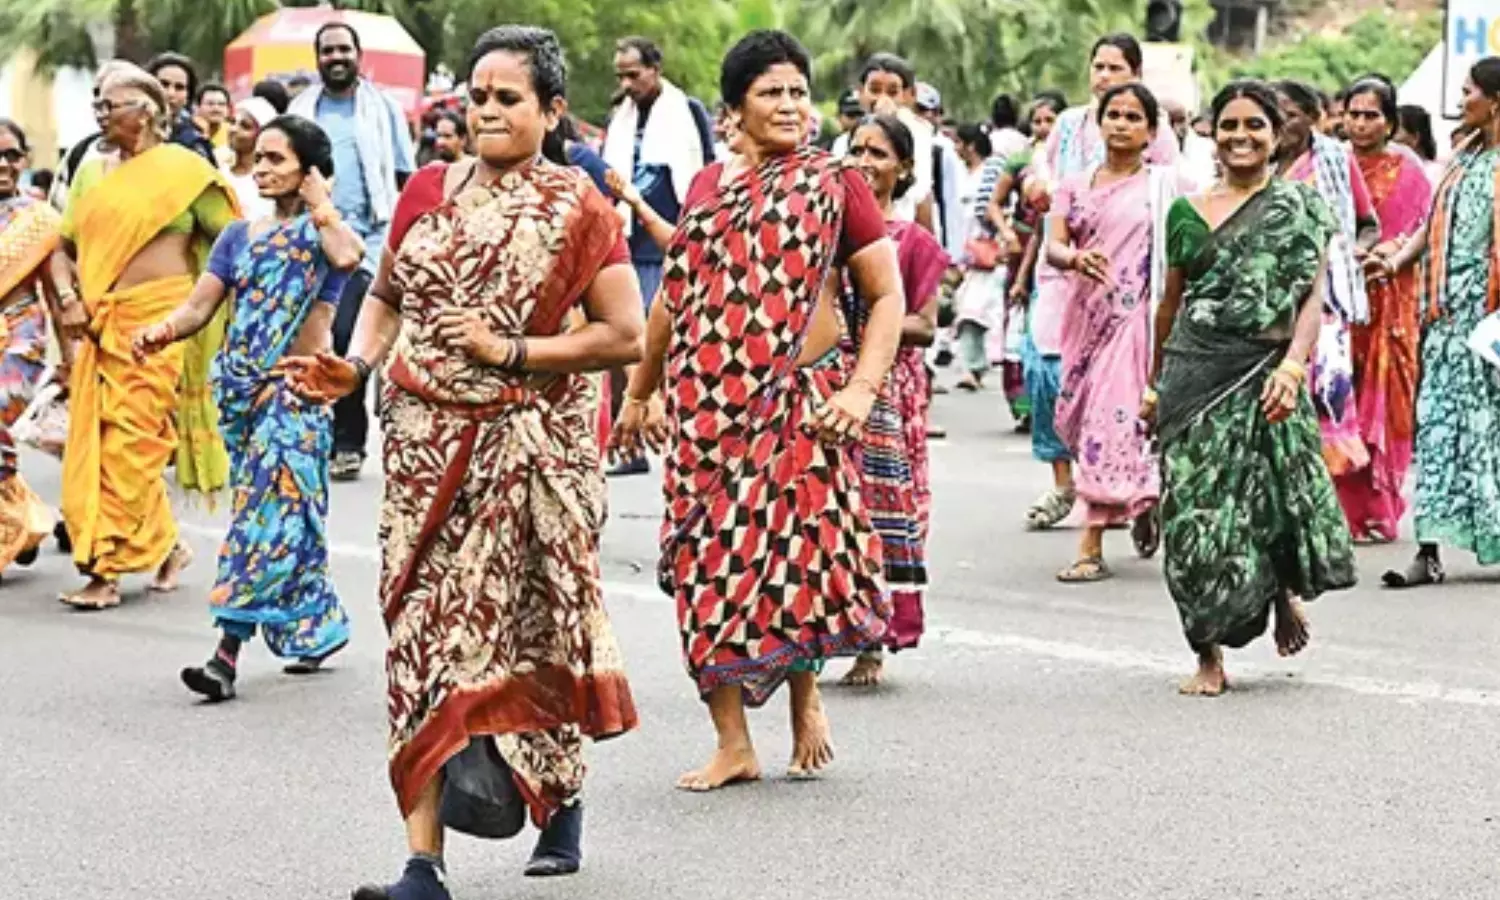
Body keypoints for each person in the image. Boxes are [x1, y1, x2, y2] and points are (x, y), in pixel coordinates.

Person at [280, 26, 642, 897]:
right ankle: (423, 864)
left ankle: (560, 797)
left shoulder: (578, 206)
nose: (486, 111)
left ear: (552, 111)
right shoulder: (427, 190)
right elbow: (386, 295)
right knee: (421, 638)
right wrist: (356, 365)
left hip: (528, 449)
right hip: (422, 449)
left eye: (508, 98)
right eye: (478, 96)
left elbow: (623, 333)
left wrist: (510, 350)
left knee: (530, 626)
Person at [613, 29, 903, 792]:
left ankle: (806, 700)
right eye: (771, 92)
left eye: (799, 92)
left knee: (793, 560)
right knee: (704, 565)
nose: (790, 105)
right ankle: (733, 742)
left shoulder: (837, 183)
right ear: (734, 109)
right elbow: (673, 301)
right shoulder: (709, 188)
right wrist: (640, 392)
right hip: (705, 413)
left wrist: (859, 390)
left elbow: (886, 296)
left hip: (797, 403)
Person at [132, 114, 363, 701]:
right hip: (241, 393)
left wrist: (321, 203)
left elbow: (349, 256)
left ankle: (225, 655)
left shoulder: (322, 233)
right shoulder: (237, 236)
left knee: (260, 522)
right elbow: (198, 308)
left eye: (275, 159)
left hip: (297, 392)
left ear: (309, 171)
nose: (260, 168)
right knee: (289, 522)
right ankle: (319, 628)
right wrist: (161, 332)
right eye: (258, 158)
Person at [1146, 79, 1356, 696]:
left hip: (1268, 372)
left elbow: (1311, 299)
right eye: (1229, 125)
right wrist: (1155, 385)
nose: (1241, 136)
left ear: (1276, 134)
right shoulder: (1186, 211)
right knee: (1193, 516)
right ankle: (1207, 654)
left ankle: (1280, 592)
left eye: (1254, 125)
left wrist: (1292, 367)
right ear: (1212, 134)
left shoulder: (1301, 207)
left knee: (1268, 507)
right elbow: (1170, 303)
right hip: (1194, 374)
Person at [52, 64, 239, 610]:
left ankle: (106, 571)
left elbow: (233, 242)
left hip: (160, 324)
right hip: (101, 323)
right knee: (99, 446)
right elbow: (61, 248)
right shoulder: (92, 171)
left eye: (109, 104)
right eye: (97, 104)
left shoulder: (184, 171)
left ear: (147, 111)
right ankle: (168, 547)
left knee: (131, 444)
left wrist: (214, 307)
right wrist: (66, 298)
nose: (99, 113)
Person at [1024, 33, 1178, 531]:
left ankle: (1099, 530)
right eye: (1114, 115)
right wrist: (1073, 257)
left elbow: (1185, 223)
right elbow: (1053, 236)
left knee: (1115, 413)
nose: (1121, 123)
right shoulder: (1070, 161)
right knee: (1061, 392)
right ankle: (1125, 495)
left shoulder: (1163, 182)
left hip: (1138, 313)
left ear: (1150, 130)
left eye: (1133, 117)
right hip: (1079, 308)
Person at [1375, 58, 1500, 588]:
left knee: (1488, 428)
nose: (1461, 99)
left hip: (1489, 321)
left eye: (1470, 91)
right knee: (1437, 426)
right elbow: (1432, 227)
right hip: (1446, 318)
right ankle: (1427, 550)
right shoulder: (1462, 158)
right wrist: (1394, 262)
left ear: (1495, 102)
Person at [838, 114, 948, 687]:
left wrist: (870, 321)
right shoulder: (825, 233)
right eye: (856, 149)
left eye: (878, 153)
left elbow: (925, 326)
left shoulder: (914, 242)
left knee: (885, 506)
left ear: (903, 167)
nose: (864, 161)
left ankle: (873, 639)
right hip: (828, 379)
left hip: (890, 386)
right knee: (831, 505)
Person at [289, 22, 417, 481]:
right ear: (317, 58)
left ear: (358, 55)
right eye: (328, 50)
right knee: (309, 340)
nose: (336, 57)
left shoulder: (383, 109)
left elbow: (404, 175)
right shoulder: (300, 110)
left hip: (367, 242)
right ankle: (312, 437)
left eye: (344, 49)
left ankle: (348, 442)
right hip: (310, 240)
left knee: (345, 336)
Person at [600, 35, 715, 477]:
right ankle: (629, 448)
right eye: (621, 76)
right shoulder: (621, 117)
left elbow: (705, 175)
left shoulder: (687, 112)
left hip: (669, 242)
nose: (627, 84)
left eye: (634, 74)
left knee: (665, 346)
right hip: (627, 241)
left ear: (655, 69)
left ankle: (680, 442)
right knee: (622, 342)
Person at [1335, 78, 1432, 544]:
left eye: (1371, 115)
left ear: (1390, 122)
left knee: (1385, 403)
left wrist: (1385, 253)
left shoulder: (1408, 168)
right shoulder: (1331, 165)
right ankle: (1342, 511)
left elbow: (1421, 227)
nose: (1360, 123)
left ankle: (1378, 509)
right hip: (1337, 299)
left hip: (1390, 298)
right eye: (1353, 114)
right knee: (1341, 401)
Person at [1275, 79, 1379, 496]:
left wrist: (1350, 253)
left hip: (1325, 305)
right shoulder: (1254, 162)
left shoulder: (1335, 160)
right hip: (1270, 306)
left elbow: (1368, 223)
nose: (1282, 123)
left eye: (1291, 115)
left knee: (1321, 403)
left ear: (1313, 118)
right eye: (1275, 114)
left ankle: (1316, 502)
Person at [0, 120, 70, 573]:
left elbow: (57, 295)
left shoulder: (39, 219)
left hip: (19, 337)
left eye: (12, 155)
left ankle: (17, 524)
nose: (3, 164)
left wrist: (71, 359)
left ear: (25, 160)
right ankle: (23, 519)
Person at [995, 91, 1067, 427]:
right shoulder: (1022, 159)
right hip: (1022, 246)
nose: (1043, 127)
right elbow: (993, 203)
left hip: (1059, 249)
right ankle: (1023, 403)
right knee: (1021, 324)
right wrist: (1007, 233)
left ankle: (1056, 405)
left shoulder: (1074, 160)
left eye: (1050, 120)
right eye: (1037, 120)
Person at [950, 122, 1016, 392]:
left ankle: (974, 365)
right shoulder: (962, 174)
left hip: (988, 250)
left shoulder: (990, 173)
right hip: (966, 251)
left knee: (976, 311)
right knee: (967, 311)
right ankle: (973, 364)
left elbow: (998, 209)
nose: (955, 148)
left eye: (959, 142)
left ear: (971, 146)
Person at [839, 53, 936, 234]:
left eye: (892, 92)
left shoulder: (918, 138)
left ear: (909, 95)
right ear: (861, 92)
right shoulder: (843, 142)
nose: (882, 99)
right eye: (874, 90)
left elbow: (921, 198)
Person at [144, 53, 217, 164]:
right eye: (164, 84)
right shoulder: (128, 133)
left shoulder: (194, 144)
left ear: (188, 97)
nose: (170, 93)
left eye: (179, 87)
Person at [221, 97, 278, 220]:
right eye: (233, 122)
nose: (233, 129)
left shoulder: (268, 180)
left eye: (245, 126)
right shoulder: (220, 172)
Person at [196, 83, 233, 154]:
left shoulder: (232, 133)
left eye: (221, 104)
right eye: (210, 104)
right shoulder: (187, 131)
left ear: (228, 109)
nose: (216, 108)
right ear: (198, 107)